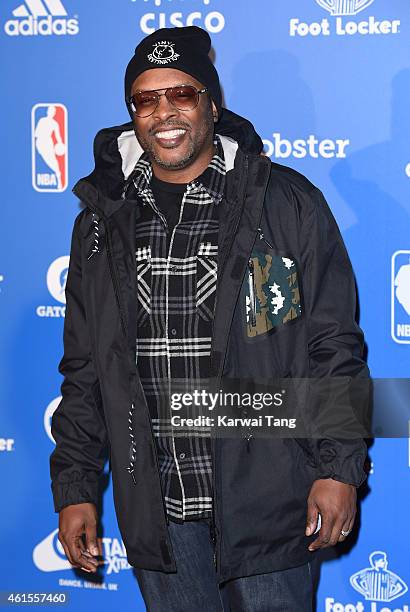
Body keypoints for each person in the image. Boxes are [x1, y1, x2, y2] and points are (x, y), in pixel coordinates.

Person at [49, 26, 370, 611]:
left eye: (182, 94)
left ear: (212, 105)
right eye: (145, 100)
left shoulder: (285, 203)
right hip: (161, 516)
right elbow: (86, 369)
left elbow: (332, 345)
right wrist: (74, 488)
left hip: (269, 504)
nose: (163, 112)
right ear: (132, 115)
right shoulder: (101, 222)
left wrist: (339, 469)